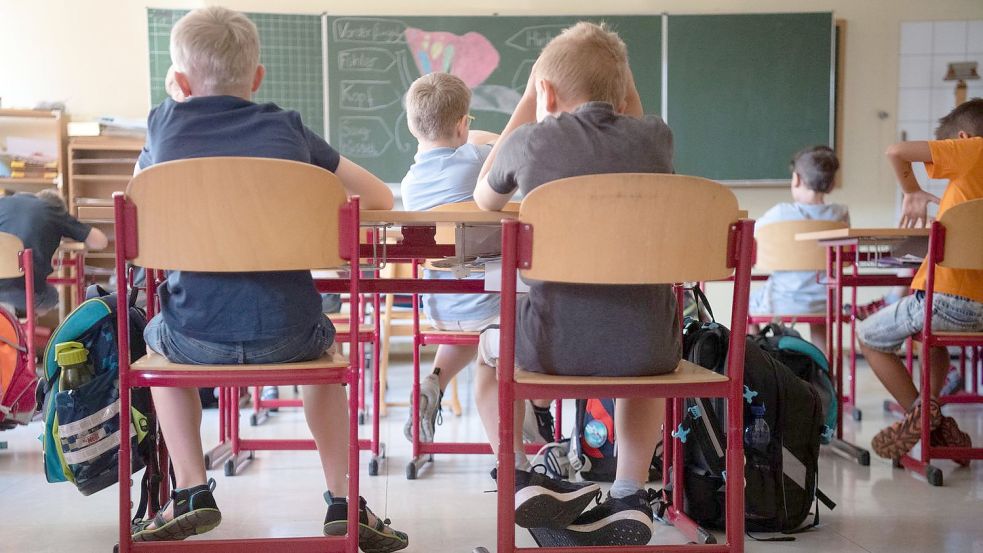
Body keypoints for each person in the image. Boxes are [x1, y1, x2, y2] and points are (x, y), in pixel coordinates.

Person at [132, 8, 407, 551]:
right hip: (291, 334)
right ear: (258, 79)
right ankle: (343, 498)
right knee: (320, 356)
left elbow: (135, 206)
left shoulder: (163, 122)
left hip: (194, 337)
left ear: (179, 82)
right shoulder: (288, 128)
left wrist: (176, 102)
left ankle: (190, 489)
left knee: (155, 344)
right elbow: (378, 198)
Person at [472, 22, 678, 546]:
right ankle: (630, 493)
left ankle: (517, 472)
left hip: (550, 347)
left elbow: (484, 200)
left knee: (487, 350)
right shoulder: (657, 139)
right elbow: (635, 119)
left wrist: (528, 101)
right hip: (650, 350)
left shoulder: (529, 141)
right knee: (643, 373)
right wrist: (619, 83)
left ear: (545, 91)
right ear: (624, 89)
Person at [399, 72, 555, 445]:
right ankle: (520, 442)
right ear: (463, 124)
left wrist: (467, 134)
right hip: (496, 303)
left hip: (442, 306)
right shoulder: (478, 163)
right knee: (494, 338)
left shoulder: (409, 184)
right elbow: (508, 145)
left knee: (469, 324)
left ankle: (433, 379)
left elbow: (473, 143)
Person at [858, 98, 983, 461]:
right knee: (935, 342)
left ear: (961, 139)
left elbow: (897, 151)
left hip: (946, 299)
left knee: (868, 336)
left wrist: (911, 190)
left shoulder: (973, 150)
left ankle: (921, 412)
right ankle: (931, 412)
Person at [749, 145, 849, 353]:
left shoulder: (779, 214)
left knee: (746, 307)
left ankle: (758, 358)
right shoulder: (840, 215)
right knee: (819, 317)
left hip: (780, 300)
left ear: (796, 179)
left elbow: (752, 235)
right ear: (831, 184)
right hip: (825, 302)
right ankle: (826, 373)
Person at [0, 189, 107, 316]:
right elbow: (101, 242)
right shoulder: (52, 210)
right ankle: (17, 324)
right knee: (52, 296)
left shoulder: (4, 202)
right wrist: (64, 230)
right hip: (20, 291)